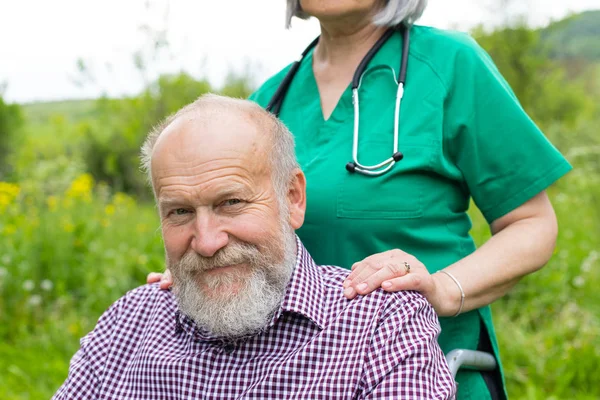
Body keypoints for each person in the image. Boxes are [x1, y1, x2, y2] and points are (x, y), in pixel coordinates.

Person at [148, 1, 572, 398]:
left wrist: (442, 289)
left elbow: (531, 223)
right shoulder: (268, 101)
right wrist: (198, 271)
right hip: (305, 377)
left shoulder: (451, 66)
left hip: (433, 367)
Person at [54, 94, 456, 399]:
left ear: (293, 198)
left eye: (231, 202)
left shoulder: (380, 324)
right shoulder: (130, 322)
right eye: (179, 212)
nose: (207, 242)